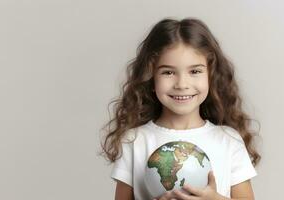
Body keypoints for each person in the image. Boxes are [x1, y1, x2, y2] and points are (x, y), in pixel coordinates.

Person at [100, 17, 261, 200]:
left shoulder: (229, 140)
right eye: (168, 72)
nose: (182, 84)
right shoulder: (134, 142)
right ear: (151, 77)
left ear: (211, 75)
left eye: (195, 71)